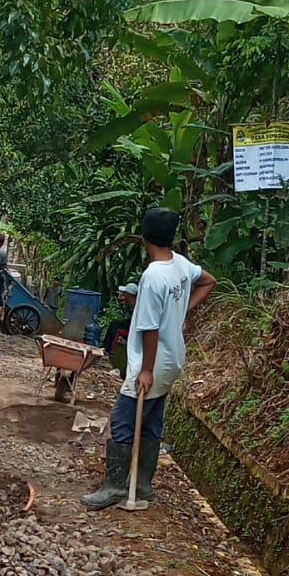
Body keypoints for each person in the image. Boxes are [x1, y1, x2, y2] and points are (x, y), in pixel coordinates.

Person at [82, 208, 216, 509]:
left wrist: (146, 369)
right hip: (173, 360)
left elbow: (150, 328)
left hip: (153, 361)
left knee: (122, 421)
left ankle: (115, 487)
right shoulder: (180, 264)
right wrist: (181, 312)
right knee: (152, 422)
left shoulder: (153, 276)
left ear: (144, 236)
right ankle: (142, 486)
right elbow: (209, 281)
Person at [102, 281, 138, 356]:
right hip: (131, 324)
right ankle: (105, 347)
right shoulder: (132, 303)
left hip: (134, 328)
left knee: (116, 328)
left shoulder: (137, 305)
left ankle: (110, 350)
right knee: (114, 323)